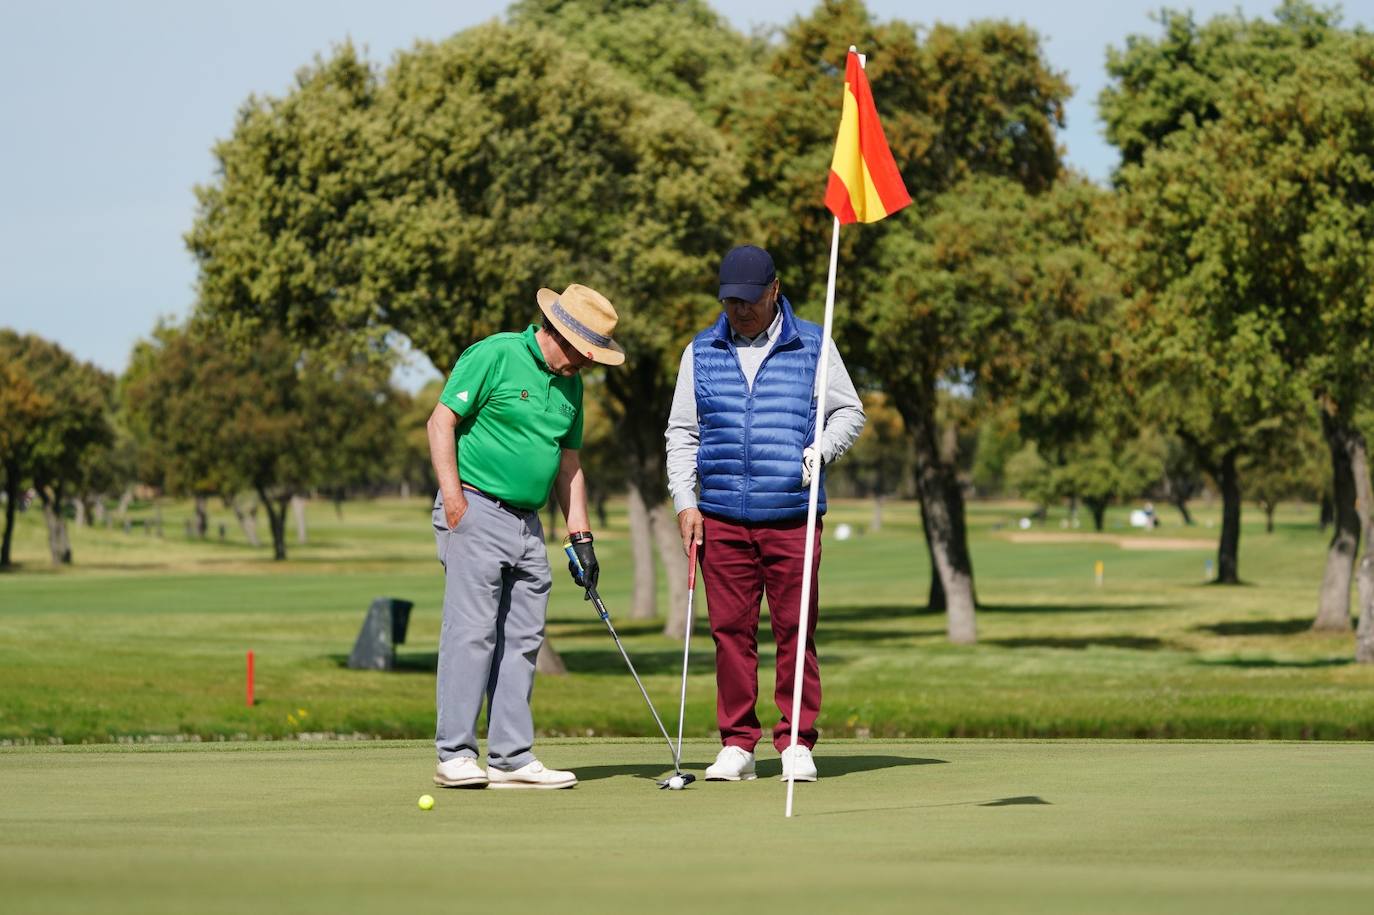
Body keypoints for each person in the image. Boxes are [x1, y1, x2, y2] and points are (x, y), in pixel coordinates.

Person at [664, 245, 865, 782]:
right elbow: (682, 432)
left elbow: (849, 410)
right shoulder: (701, 351)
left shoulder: (814, 346)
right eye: (730, 301)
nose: (740, 311)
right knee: (730, 631)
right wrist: (685, 501)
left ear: (775, 290)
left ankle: (796, 740)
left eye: (749, 300)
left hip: (793, 514)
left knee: (795, 629)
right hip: (722, 515)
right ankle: (737, 743)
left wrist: (819, 452)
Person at [426, 283, 624, 790]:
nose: (587, 365)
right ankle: (455, 754)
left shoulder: (571, 386)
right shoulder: (495, 354)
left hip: (529, 526)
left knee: (523, 639)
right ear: (559, 332)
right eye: (585, 354)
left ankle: (510, 757)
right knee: (472, 634)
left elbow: (569, 464)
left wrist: (581, 536)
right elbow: (441, 422)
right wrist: (454, 501)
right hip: (475, 508)